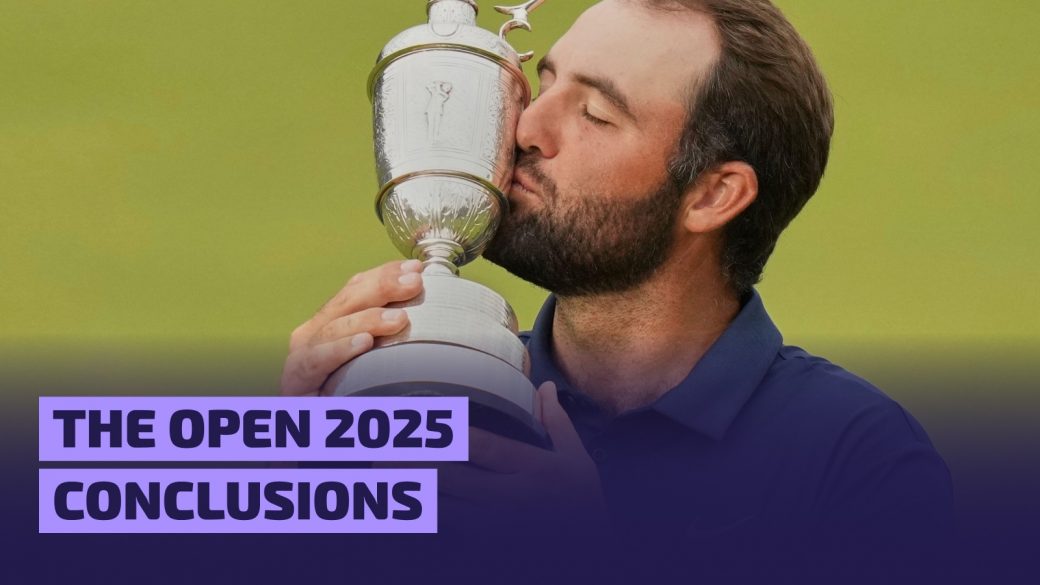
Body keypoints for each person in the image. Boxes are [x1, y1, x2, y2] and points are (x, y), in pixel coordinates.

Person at [282, 0, 954, 580]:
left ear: (715, 194)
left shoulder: (858, 463)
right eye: (543, 84)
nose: (526, 129)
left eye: (596, 114)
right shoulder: (441, 398)